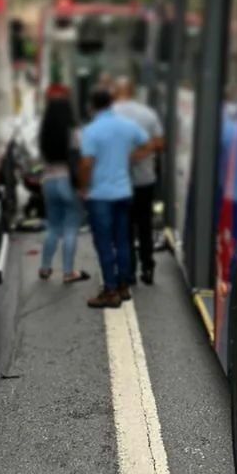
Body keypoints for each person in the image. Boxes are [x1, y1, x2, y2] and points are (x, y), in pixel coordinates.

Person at [78, 88, 152, 308]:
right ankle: (123, 286)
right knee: (122, 241)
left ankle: (110, 291)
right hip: (123, 192)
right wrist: (131, 157)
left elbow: (86, 163)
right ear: (111, 103)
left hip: (100, 195)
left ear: (92, 106)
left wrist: (82, 187)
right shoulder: (126, 126)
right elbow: (149, 144)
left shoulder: (91, 130)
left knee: (104, 244)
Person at [113, 76, 165, 285]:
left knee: (124, 227)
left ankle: (129, 271)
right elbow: (161, 142)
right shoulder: (148, 113)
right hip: (145, 179)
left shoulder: (111, 114)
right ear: (133, 91)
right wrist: (141, 153)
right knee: (144, 225)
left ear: (116, 92)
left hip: (119, 180)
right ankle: (148, 268)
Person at [38, 94, 90, 284]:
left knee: (52, 227)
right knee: (70, 228)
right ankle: (68, 272)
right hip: (68, 181)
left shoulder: (45, 134)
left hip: (49, 181)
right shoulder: (75, 133)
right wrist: (83, 186)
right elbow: (81, 158)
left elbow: (41, 159)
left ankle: (45, 267)